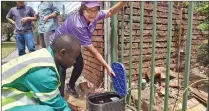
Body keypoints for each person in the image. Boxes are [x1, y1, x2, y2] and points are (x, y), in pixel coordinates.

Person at [49, 1, 126, 98]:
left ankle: (70, 86)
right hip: (58, 46)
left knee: (79, 64)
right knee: (61, 71)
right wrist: (107, 66)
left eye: (95, 10)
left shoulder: (95, 16)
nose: (92, 14)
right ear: (82, 9)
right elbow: (94, 52)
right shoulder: (78, 25)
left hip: (72, 44)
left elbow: (110, 12)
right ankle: (59, 99)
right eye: (89, 10)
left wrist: (124, 2)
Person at [2, 34, 84, 111]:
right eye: (74, 58)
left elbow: (54, 97)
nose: (75, 62)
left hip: (11, 92)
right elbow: (58, 106)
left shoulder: (46, 54)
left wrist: (69, 106)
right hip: (4, 101)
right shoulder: (44, 73)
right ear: (62, 53)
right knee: (48, 109)